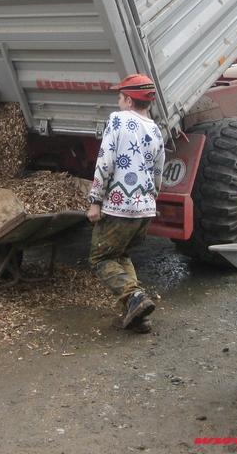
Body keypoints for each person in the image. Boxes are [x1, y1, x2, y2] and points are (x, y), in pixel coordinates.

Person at [86, 73, 165, 333]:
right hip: (145, 207)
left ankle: (135, 298)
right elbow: (158, 172)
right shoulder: (155, 129)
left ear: (129, 101)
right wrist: (151, 198)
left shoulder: (118, 120)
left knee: (100, 258)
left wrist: (95, 200)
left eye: (120, 97)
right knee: (122, 255)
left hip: (120, 204)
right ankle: (139, 316)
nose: (118, 103)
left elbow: (106, 162)